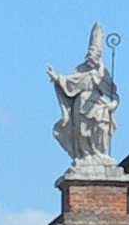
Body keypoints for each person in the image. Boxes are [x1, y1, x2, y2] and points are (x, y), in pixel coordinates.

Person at [48, 22, 118, 162]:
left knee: (101, 129)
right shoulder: (81, 70)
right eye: (90, 54)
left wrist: (113, 105)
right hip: (81, 107)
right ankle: (85, 155)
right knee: (82, 131)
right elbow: (70, 82)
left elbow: (114, 95)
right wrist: (56, 77)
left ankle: (99, 153)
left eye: (94, 54)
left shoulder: (103, 74)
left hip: (98, 107)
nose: (91, 58)